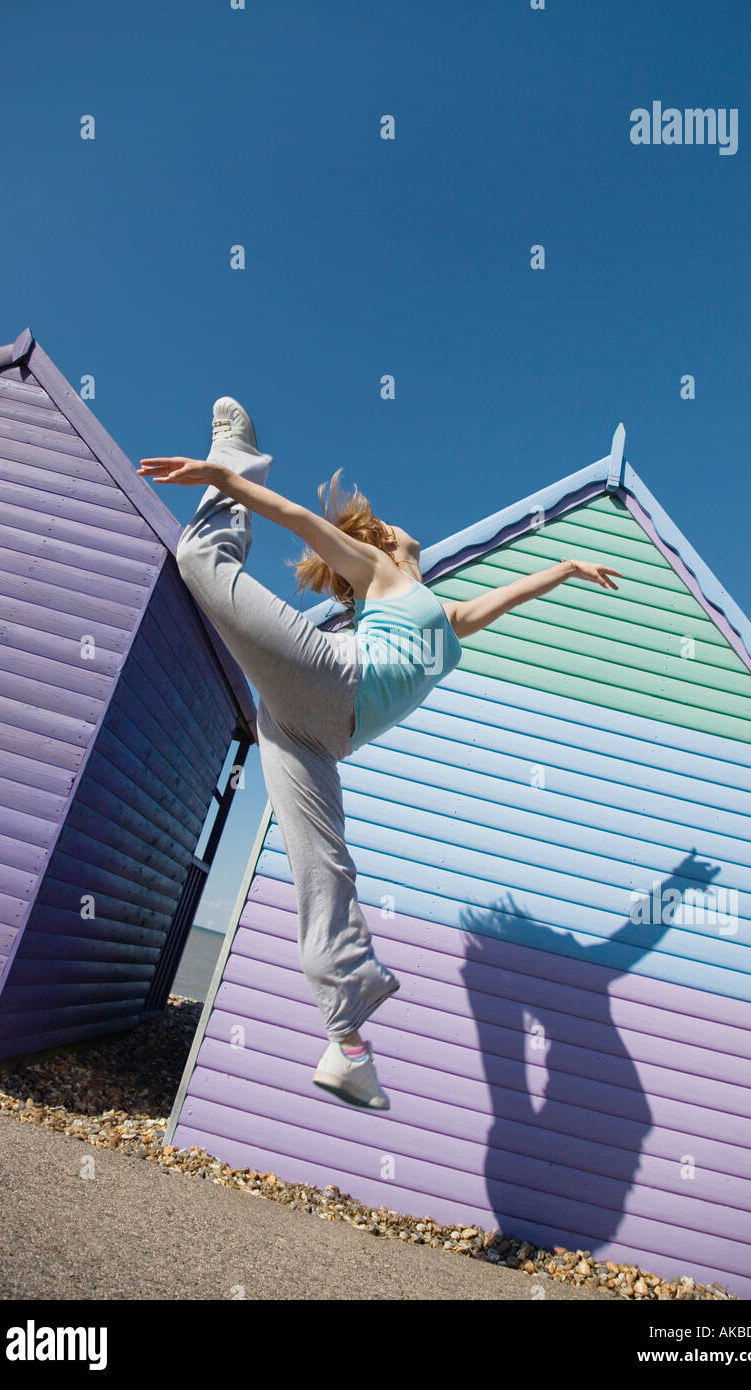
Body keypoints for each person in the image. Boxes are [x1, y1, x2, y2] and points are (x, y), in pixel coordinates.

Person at [138, 398, 620, 1111]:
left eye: (389, 527)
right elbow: (301, 520)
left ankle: (348, 1041)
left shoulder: (445, 614)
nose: (396, 527)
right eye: (390, 529)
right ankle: (236, 451)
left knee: (324, 867)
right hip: (332, 678)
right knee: (198, 559)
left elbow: (507, 597)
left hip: (320, 732)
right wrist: (228, 480)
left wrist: (567, 566)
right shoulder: (378, 571)